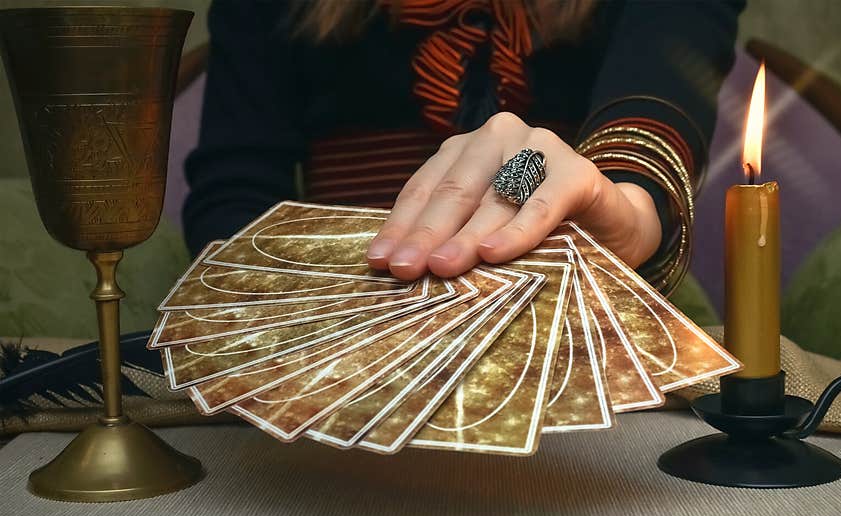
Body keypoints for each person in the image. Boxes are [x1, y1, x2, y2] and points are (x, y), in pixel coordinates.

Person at [184, 0, 745, 295]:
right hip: (337, 317)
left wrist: (631, 211)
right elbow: (237, 194)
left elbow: (651, 110)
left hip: (582, 307)